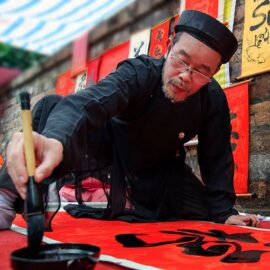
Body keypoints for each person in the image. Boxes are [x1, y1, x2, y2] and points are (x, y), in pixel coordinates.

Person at [1, 10, 260, 229]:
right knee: (52, 108)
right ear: (169, 47)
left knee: (205, 214)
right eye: (182, 60)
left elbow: (216, 157)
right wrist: (55, 140)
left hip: (160, 165)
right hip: (111, 148)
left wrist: (225, 213)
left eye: (202, 72)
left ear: (213, 73)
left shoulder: (212, 98)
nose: (186, 76)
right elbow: (88, 104)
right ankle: (8, 194)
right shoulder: (139, 72)